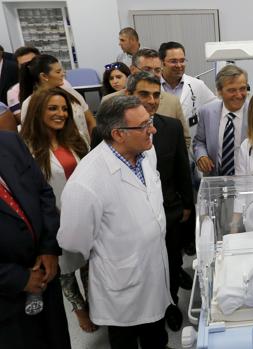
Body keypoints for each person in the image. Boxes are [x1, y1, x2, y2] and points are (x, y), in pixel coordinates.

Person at [57, 95, 171, 349]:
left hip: (153, 267)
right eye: (144, 125)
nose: (152, 129)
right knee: (125, 339)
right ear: (118, 134)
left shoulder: (145, 153)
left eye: (149, 121)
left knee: (156, 333)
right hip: (121, 281)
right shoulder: (86, 182)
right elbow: (74, 242)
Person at [20, 87, 96, 332]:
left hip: (82, 216)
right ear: (37, 111)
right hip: (52, 221)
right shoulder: (26, 148)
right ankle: (80, 310)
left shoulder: (72, 139)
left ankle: (95, 305)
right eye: (53, 108)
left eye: (64, 109)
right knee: (64, 271)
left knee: (89, 264)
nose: (61, 114)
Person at [124, 71, 193, 331]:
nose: (152, 100)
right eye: (144, 94)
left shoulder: (170, 127)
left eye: (156, 95)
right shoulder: (110, 131)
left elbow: (181, 170)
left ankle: (171, 305)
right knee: (142, 269)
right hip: (132, 218)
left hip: (169, 212)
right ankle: (145, 315)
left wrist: (187, 205)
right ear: (129, 95)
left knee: (172, 263)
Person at [0, 130, 71, 348]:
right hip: (6, 300)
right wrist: (18, 279)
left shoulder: (9, 141)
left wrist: (49, 248)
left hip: (45, 277)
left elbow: (43, 192)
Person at [102, 48, 190, 149]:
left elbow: (184, 140)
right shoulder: (109, 102)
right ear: (133, 70)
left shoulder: (172, 102)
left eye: (157, 70)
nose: (152, 74)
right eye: (147, 69)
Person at [19, 54, 95, 141]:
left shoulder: (71, 92)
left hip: (85, 148)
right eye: (58, 72)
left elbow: (90, 120)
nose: (63, 74)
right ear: (44, 76)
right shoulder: (30, 103)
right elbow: (31, 136)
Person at [193, 64, 249, 176]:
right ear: (219, 91)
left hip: (248, 180)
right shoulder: (206, 112)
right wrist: (201, 155)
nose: (239, 95)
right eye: (232, 90)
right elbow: (199, 142)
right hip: (216, 180)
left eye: (243, 89)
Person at [159, 41, 216, 139]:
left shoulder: (197, 85)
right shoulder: (153, 87)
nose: (179, 65)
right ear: (162, 62)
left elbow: (215, 109)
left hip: (191, 147)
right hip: (163, 145)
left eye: (182, 60)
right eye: (173, 61)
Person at [7, 47, 74, 123]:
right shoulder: (14, 92)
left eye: (32, 62)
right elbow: (25, 121)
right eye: (23, 66)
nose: (28, 68)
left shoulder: (62, 83)